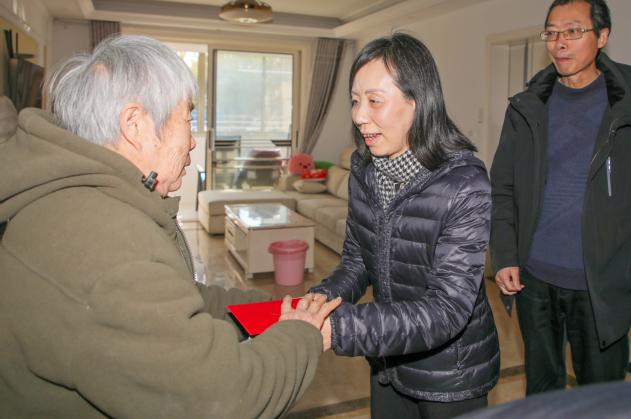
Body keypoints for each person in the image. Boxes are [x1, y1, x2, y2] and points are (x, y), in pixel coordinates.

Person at [0, 35, 340, 418]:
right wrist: (304, 332)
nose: (192, 140)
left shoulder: (86, 203)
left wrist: (277, 310)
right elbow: (223, 398)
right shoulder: (106, 249)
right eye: (188, 118)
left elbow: (181, 299)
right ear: (135, 125)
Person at [489, 0, 631, 394]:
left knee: (601, 397)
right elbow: (502, 187)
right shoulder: (527, 106)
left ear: (602, 36)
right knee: (542, 392)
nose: (559, 43)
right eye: (552, 33)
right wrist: (504, 255)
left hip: (603, 284)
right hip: (535, 279)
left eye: (573, 31)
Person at [308, 32, 500, 419]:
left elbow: (447, 309)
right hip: (388, 359)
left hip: (450, 376)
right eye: (355, 100)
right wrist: (320, 299)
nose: (359, 116)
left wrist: (341, 329)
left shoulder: (464, 183)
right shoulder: (364, 169)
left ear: (418, 102)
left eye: (375, 100)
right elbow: (357, 260)